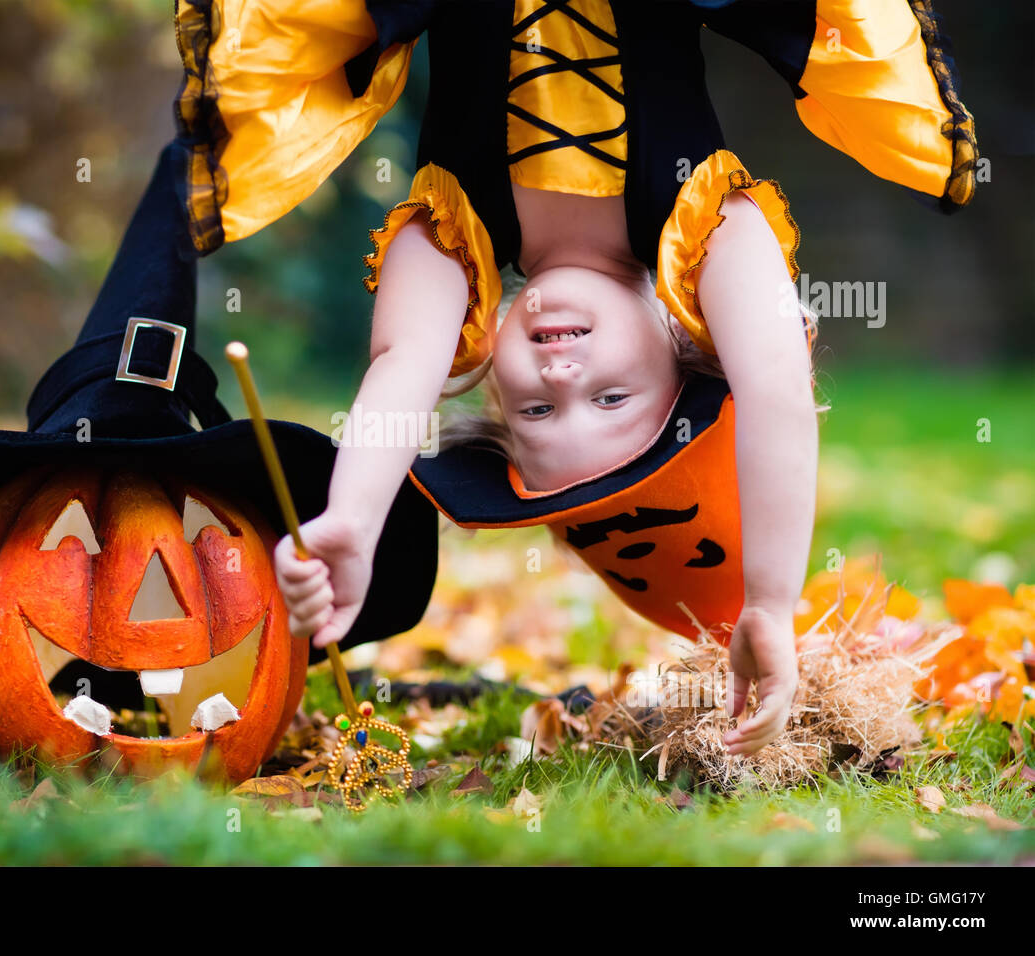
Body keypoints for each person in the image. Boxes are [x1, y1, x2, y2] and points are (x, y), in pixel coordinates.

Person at [171, 0, 978, 754]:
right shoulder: (702, 224)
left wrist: (351, 517)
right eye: (610, 398)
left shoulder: (458, 241)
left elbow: (402, 363)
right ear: (682, 352)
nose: (561, 372)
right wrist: (769, 602)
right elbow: (774, 387)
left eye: (535, 408)